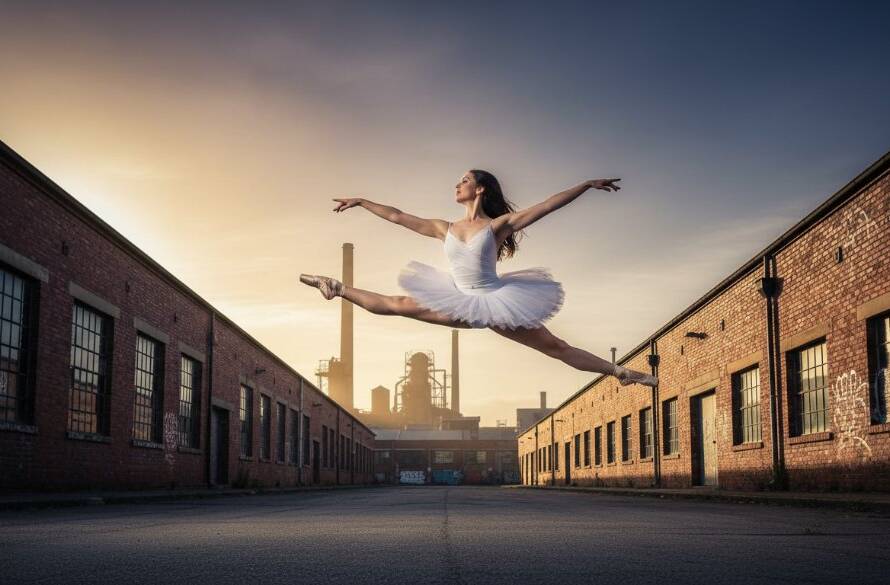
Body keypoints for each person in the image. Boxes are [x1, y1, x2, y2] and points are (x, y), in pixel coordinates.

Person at [299, 170, 658, 387]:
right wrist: (362, 201)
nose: (458, 184)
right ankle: (338, 287)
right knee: (394, 305)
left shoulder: (497, 226)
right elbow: (397, 216)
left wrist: (584, 185)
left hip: (497, 302)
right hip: (457, 298)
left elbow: (547, 205)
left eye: (465, 180)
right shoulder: (445, 228)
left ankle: (618, 371)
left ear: (480, 189)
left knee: (557, 348)